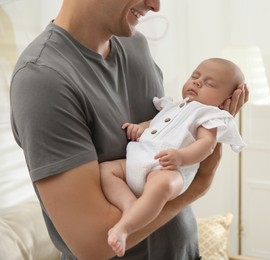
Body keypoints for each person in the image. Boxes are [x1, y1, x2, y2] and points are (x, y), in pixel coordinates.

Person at [10, 0, 248, 259]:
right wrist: (199, 183)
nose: (155, 6)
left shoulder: (136, 46)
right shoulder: (43, 79)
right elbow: (94, 244)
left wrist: (208, 122)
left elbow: (165, 134)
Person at [100, 57, 246, 257]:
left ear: (225, 100)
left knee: (162, 185)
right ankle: (130, 206)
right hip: (139, 158)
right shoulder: (173, 106)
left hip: (170, 169)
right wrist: (140, 128)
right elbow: (156, 122)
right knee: (107, 170)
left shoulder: (209, 115)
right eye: (195, 76)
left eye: (209, 83)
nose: (197, 82)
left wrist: (181, 156)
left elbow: (206, 145)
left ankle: (124, 228)